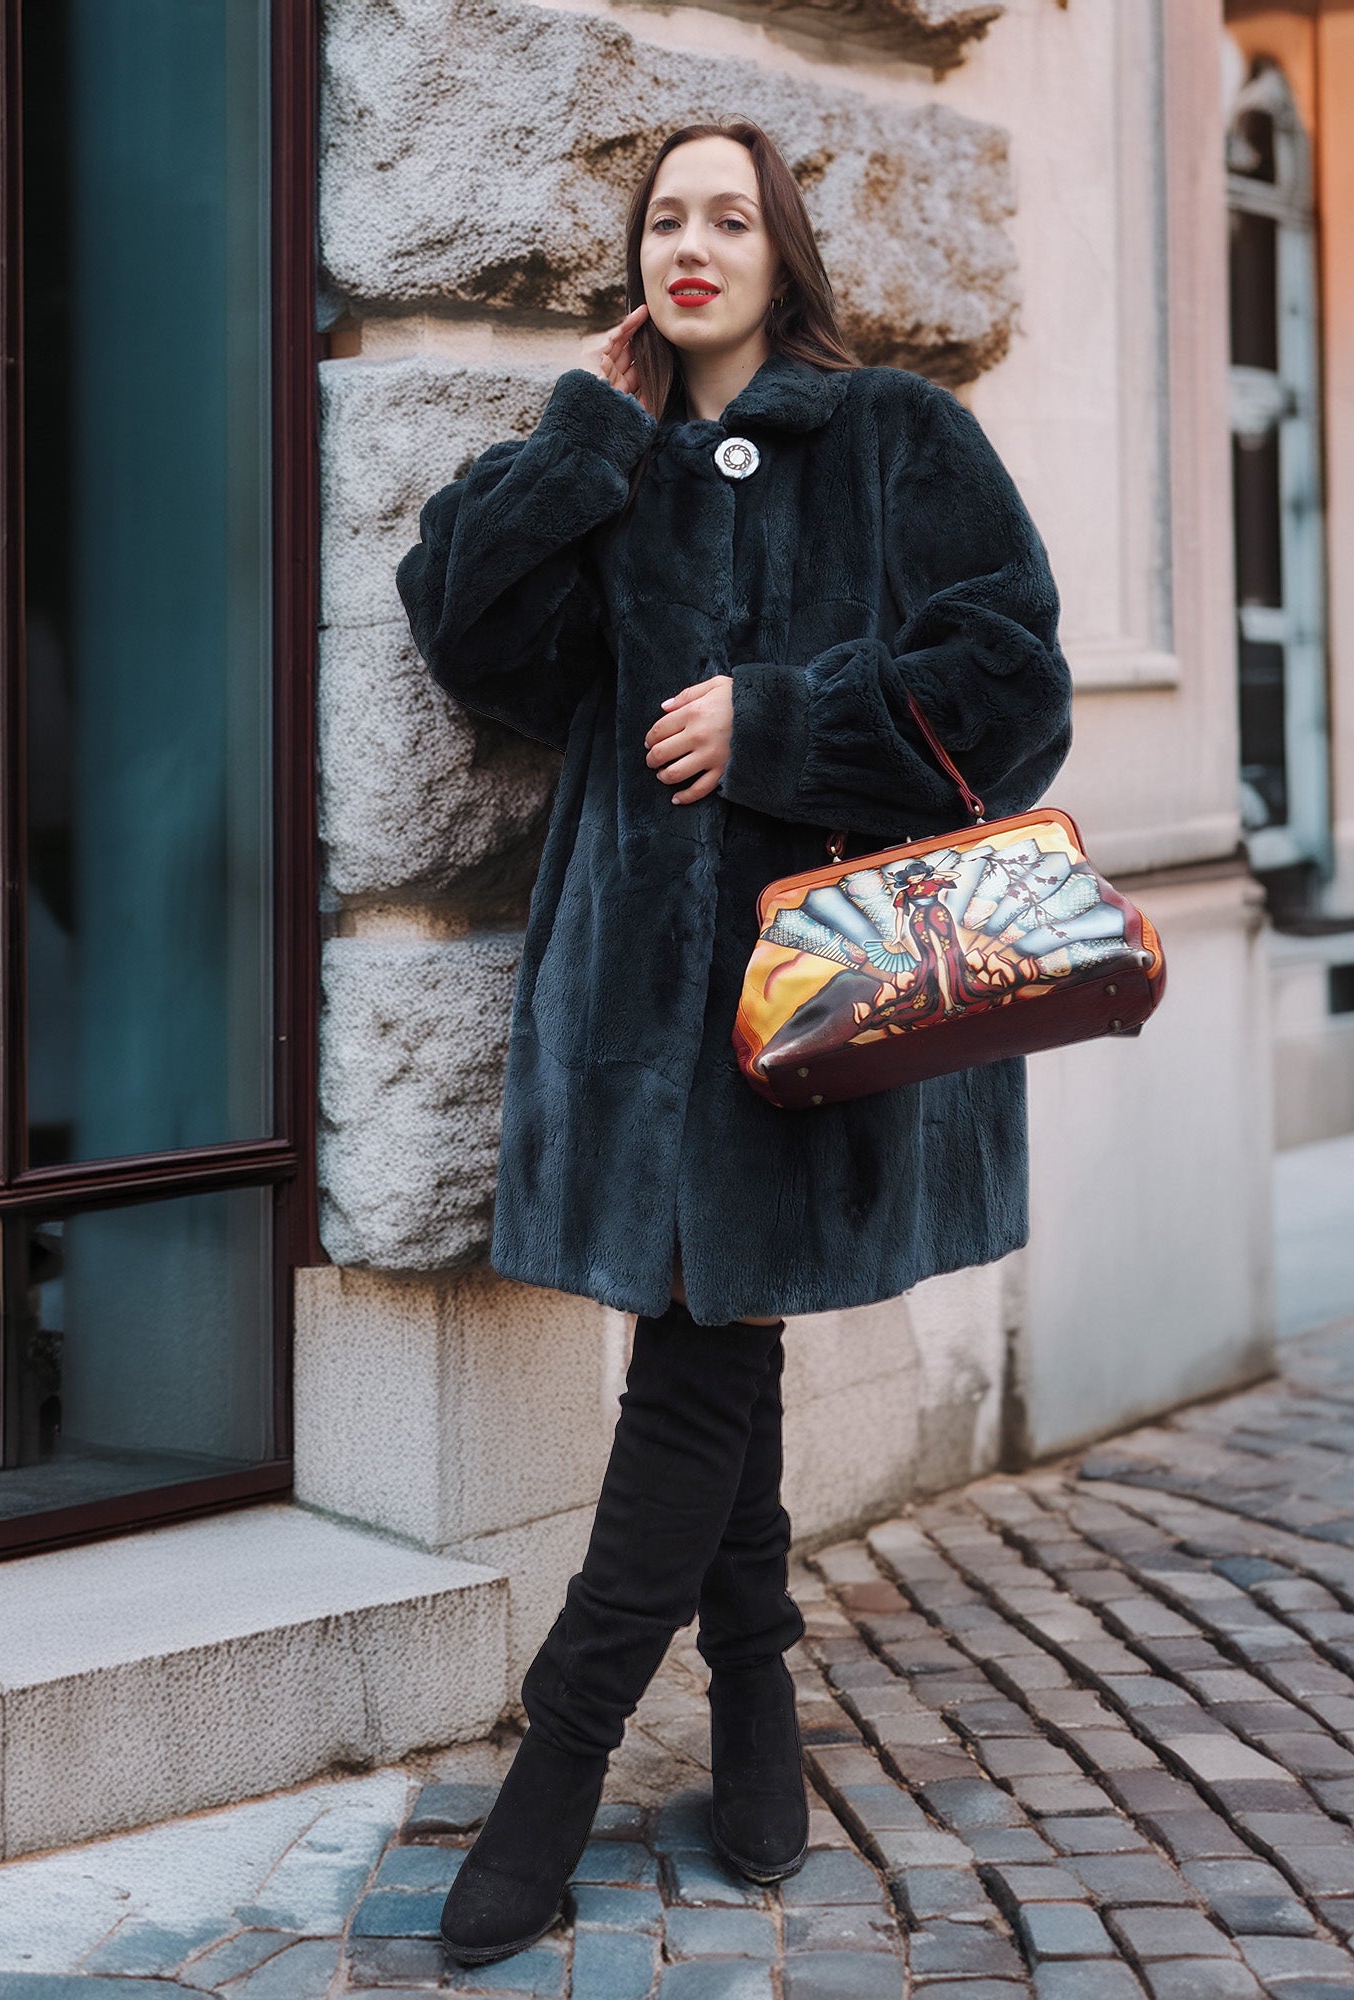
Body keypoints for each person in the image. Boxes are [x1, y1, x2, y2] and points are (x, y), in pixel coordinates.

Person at [394, 117, 1073, 1966]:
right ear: (640, 257)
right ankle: (758, 1717)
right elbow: (467, 632)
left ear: (784, 248)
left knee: (699, 1355)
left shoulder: (896, 438)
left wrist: (780, 723)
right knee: (715, 1342)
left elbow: (1015, 680)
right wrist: (586, 446)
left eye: (731, 214)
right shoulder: (611, 455)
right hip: (634, 1010)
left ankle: (560, 1765)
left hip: (810, 996)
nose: (696, 242)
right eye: (666, 217)